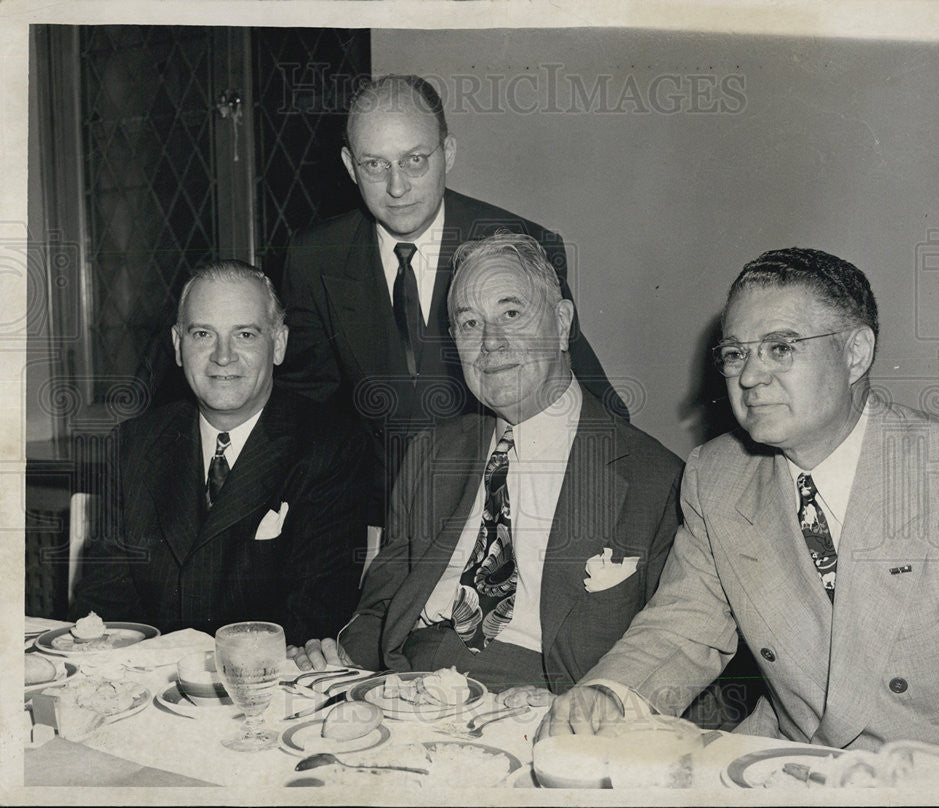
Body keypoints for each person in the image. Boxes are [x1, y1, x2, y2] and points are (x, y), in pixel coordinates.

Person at [537, 247, 939, 750]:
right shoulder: (718, 474)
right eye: (735, 353)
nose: (749, 377)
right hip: (789, 760)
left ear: (855, 353)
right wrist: (613, 694)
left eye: (780, 348)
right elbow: (686, 625)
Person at [286, 233, 682, 695]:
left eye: (511, 314)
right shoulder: (430, 455)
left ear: (561, 323)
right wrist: (338, 656)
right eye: (470, 323)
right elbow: (382, 606)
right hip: (406, 688)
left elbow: (673, 655)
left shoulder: (655, 479)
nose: (490, 344)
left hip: (547, 702)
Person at [278, 74, 625, 526]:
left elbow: (596, 401)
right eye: (375, 165)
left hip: (507, 510)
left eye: (415, 160)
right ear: (348, 165)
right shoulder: (313, 258)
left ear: (449, 153)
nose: (397, 187)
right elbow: (306, 412)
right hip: (376, 520)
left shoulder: (520, 243)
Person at [70, 261, 369, 646]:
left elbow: (312, 623)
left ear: (278, 344)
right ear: (178, 345)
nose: (222, 356)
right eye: (203, 334)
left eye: (245, 334)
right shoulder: (133, 444)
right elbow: (105, 611)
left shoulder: (330, 446)